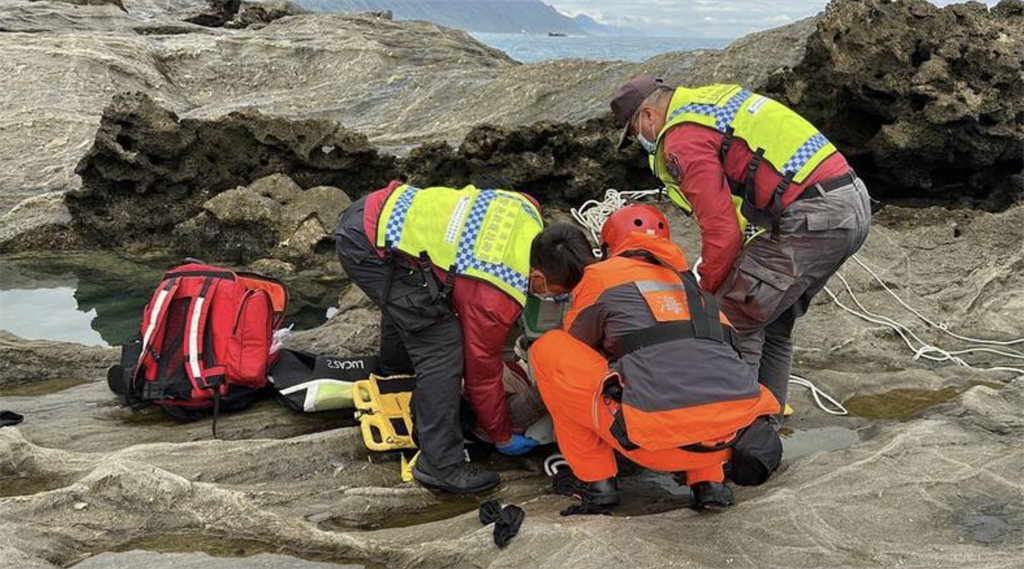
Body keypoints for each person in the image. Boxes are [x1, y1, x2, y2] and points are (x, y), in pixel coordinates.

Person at [610, 76, 872, 413]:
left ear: (647, 116)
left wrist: (705, 292)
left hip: (812, 216)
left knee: (731, 320)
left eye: (634, 134)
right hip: (849, 203)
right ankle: (764, 432)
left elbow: (722, 232)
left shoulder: (681, 139)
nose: (638, 142)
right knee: (773, 323)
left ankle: (739, 433)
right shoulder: (710, 101)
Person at [528, 207, 781, 512]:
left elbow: (580, 346)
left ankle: (596, 485)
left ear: (608, 248)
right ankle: (708, 485)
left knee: (550, 349)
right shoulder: (693, 287)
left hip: (656, 447)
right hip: (731, 447)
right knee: (694, 361)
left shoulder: (600, 277)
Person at [334, 181, 546, 493]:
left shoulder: (527, 211)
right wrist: (501, 435)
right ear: (538, 275)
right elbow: (481, 373)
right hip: (369, 246)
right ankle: (440, 464)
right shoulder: (494, 298)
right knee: (442, 343)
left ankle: (397, 368)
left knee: (412, 297)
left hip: (378, 211)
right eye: (550, 291)